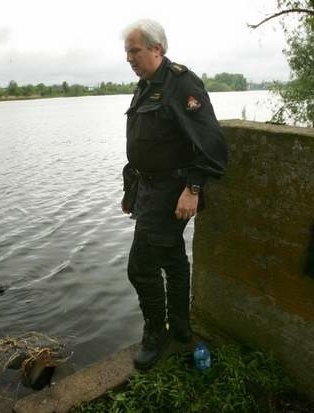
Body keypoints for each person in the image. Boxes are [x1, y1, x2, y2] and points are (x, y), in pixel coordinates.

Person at [121, 19, 228, 370]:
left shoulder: (181, 83)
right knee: (172, 260)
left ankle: (156, 334)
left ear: (157, 49)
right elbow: (147, 145)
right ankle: (181, 328)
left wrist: (193, 188)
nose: (129, 58)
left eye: (134, 50)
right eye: (126, 52)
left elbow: (210, 142)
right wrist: (130, 192)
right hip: (147, 189)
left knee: (140, 268)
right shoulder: (146, 85)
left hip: (171, 192)